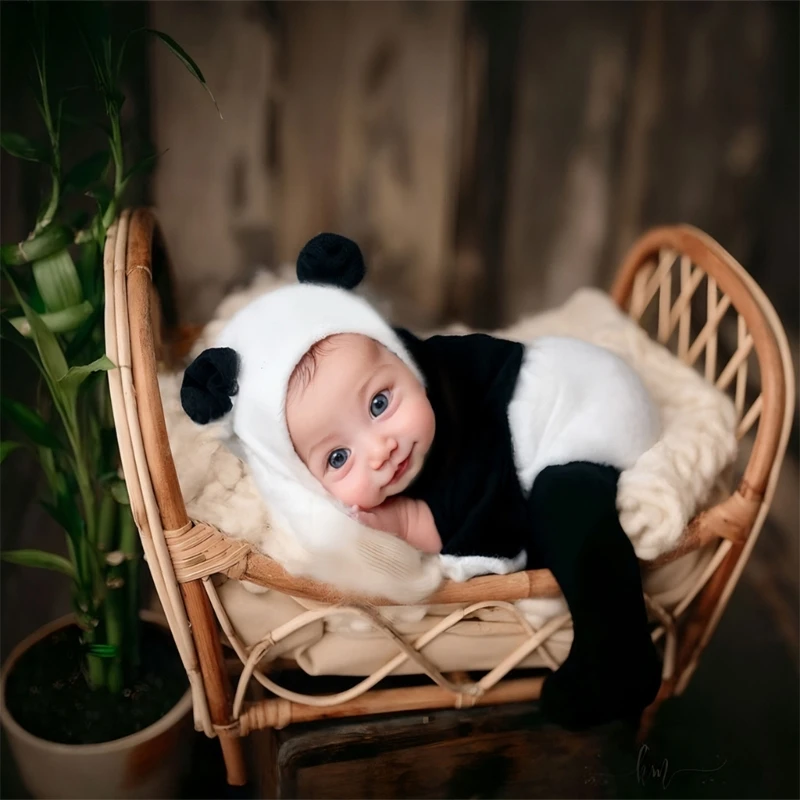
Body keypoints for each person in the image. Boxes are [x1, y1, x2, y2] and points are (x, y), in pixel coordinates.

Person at [181, 233, 662, 729]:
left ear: (403, 360)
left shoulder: (457, 401)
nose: (380, 449)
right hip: (566, 388)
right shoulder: (390, 424)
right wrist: (394, 519)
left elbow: (487, 516)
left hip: (589, 405)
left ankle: (619, 657)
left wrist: (410, 522)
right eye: (339, 457)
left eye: (379, 404)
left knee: (566, 506)